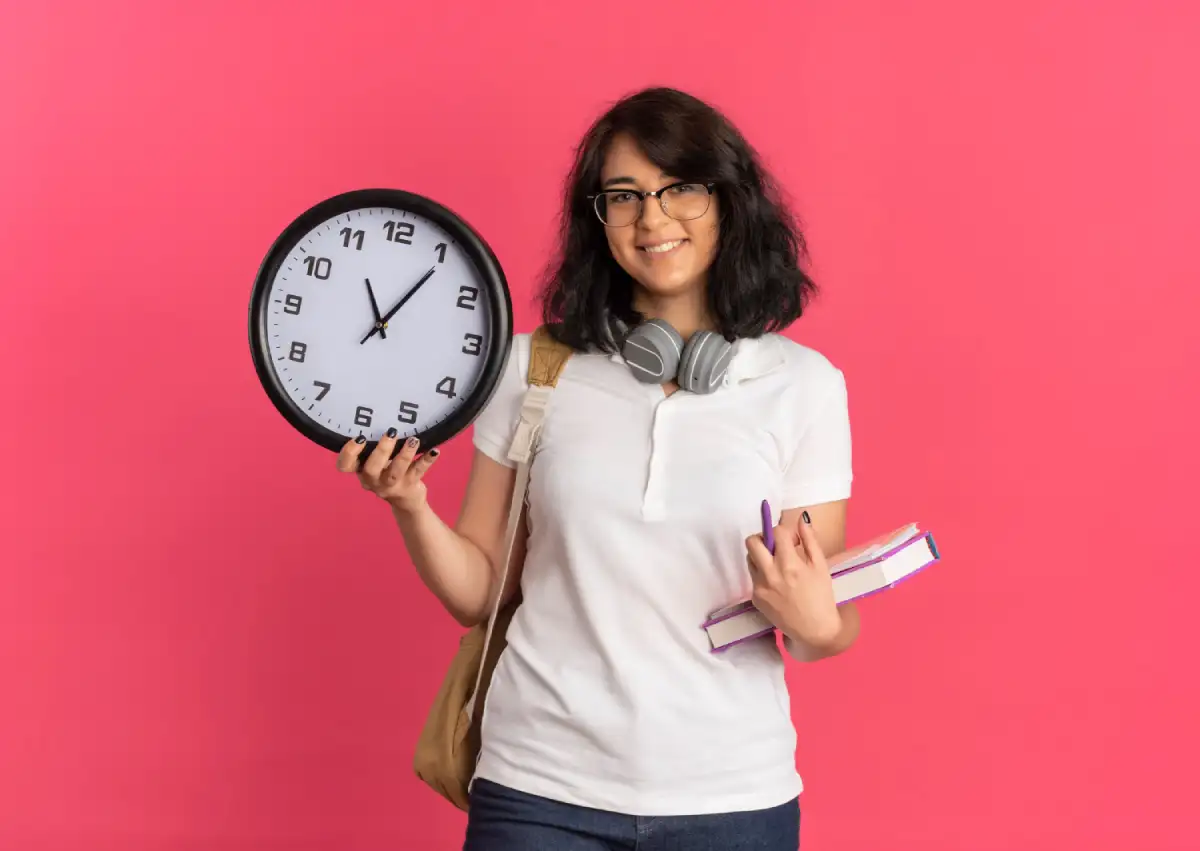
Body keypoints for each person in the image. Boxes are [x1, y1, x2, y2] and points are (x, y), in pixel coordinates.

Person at [337, 86, 858, 850]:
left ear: (729, 202)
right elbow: (480, 591)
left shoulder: (804, 385)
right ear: (598, 217)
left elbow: (818, 620)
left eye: (680, 188)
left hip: (733, 794)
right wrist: (409, 504)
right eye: (624, 196)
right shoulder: (533, 368)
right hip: (540, 787)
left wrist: (817, 623)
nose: (652, 219)